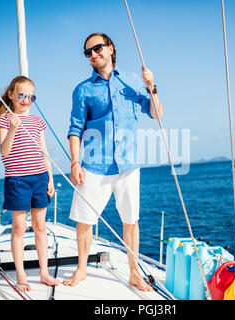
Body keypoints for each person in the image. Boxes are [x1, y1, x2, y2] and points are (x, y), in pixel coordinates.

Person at [63, 33, 163, 292]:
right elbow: (75, 129)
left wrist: (152, 87)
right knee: (85, 220)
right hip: (94, 164)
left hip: (128, 164)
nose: (93, 54)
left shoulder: (132, 81)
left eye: (97, 48)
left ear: (110, 49)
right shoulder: (83, 90)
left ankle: (134, 273)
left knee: (131, 220)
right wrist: (75, 163)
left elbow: (156, 113)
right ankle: (81, 269)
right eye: (88, 52)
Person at [0, 75, 61, 291]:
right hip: (17, 180)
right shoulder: (5, 120)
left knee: (40, 226)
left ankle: (44, 272)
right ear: (11, 95)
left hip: (40, 178)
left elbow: (44, 151)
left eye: (31, 96)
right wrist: (14, 128)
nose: (26, 100)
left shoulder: (37, 121)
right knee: (18, 227)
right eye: (22, 95)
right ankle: (21, 274)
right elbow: (4, 152)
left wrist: (51, 178)